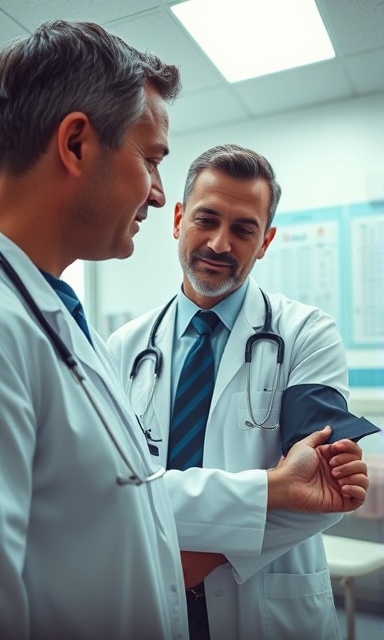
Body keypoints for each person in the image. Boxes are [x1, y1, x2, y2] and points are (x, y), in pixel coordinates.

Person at [108, 144, 379, 640]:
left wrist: (188, 564)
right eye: (206, 220)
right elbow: (113, 493)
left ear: (266, 240)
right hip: (147, 596)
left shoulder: (307, 333)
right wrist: (266, 492)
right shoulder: (123, 348)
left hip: (262, 601)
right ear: (178, 219)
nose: (218, 244)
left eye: (242, 229)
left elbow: (319, 489)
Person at [0, 20, 190, 640]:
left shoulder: (55, 314)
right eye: (152, 159)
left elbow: (121, 496)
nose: (160, 196)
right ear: (77, 144)